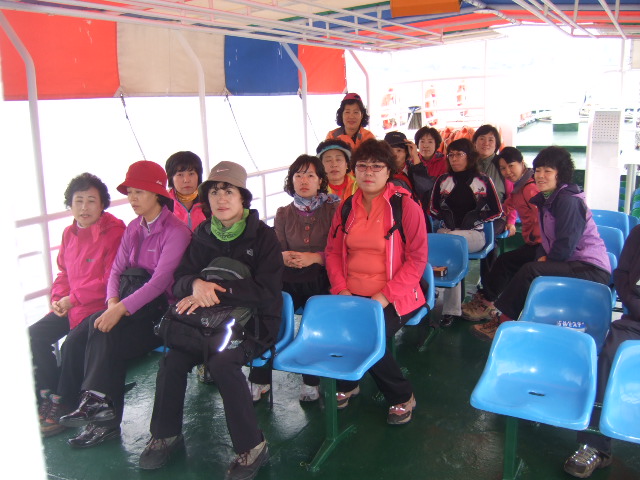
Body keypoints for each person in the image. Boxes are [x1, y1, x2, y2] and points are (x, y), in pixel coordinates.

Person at [139, 161, 283, 480]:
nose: (221, 199)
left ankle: (253, 445)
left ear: (243, 197)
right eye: (214, 192)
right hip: (204, 324)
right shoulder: (203, 234)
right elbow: (180, 278)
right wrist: (194, 284)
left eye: (228, 191)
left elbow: (268, 291)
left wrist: (217, 290)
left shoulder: (263, 237)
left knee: (222, 363)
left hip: (253, 324)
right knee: (172, 361)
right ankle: (165, 434)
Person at [58, 160, 192, 448]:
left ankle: (99, 415)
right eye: (130, 192)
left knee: (106, 336)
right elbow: (116, 271)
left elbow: (159, 283)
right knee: (84, 335)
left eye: (139, 192)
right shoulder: (133, 228)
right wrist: (112, 304)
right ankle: (91, 404)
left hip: (161, 313)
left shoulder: (176, 231)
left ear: (157, 193)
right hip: (130, 308)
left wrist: (118, 310)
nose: (132, 199)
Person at [325, 138, 428, 425]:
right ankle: (349, 382)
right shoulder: (346, 208)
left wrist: (383, 296)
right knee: (336, 331)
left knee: (367, 335)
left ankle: (401, 395)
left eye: (376, 167)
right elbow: (332, 252)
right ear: (354, 170)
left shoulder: (406, 207)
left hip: (396, 295)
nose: (368, 172)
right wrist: (341, 290)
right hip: (351, 294)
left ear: (389, 171)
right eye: (362, 166)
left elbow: (417, 259)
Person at [472, 146, 611, 340]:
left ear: (560, 174)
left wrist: (546, 261)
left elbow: (566, 244)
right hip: (572, 263)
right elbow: (546, 241)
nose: (540, 176)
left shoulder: (568, 201)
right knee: (518, 263)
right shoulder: (548, 200)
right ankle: (495, 308)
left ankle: (503, 322)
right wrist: (542, 257)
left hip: (590, 268)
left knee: (531, 270)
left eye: (548, 171)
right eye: (538, 170)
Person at [30, 173, 125, 438]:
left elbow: (110, 279)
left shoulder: (114, 232)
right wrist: (58, 298)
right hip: (71, 305)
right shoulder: (69, 233)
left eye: (91, 201)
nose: (84, 207)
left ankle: (64, 402)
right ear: (70, 205)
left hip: (99, 307)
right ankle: (49, 393)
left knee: (71, 344)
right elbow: (63, 272)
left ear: (102, 204)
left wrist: (72, 299)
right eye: (78, 201)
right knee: (34, 335)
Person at [248, 154, 340, 403]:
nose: (304, 180)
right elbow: (275, 248)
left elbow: (340, 249)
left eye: (310, 175)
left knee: (314, 319)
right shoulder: (283, 213)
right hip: (289, 276)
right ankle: (259, 376)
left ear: (320, 180)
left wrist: (315, 258)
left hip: (322, 276)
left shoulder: (334, 210)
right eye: (298, 175)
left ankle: (311, 380)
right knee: (267, 311)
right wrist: (283, 256)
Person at [563, 224, 640, 478]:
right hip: (636, 322)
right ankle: (595, 445)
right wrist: (635, 303)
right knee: (609, 356)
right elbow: (623, 274)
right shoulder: (638, 233)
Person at [429, 138, 503, 328]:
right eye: (451, 155)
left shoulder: (483, 180)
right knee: (437, 244)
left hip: (474, 235)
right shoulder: (443, 181)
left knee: (452, 244)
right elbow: (433, 209)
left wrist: (478, 218)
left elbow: (497, 211)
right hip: (448, 232)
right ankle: (429, 301)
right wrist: (445, 221)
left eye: (459, 154)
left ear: (469, 156)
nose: (454, 159)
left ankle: (449, 309)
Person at [462, 147, 541, 321]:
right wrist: (480, 218)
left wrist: (536, 237)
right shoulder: (519, 188)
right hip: (534, 242)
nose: (507, 172)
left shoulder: (530, 188)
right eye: (503, 168)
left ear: (522, 163)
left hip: (542, 244)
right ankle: (487, 298)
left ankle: (487, 302)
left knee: (506, 263)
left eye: (511, 166)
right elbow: (505, 208)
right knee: (504, 262)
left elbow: (542, 216)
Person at [384, 130, 436, 213]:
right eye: (390, 151)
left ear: (406, 153)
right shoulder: (379, 172)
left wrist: (415, 155)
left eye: (399, 150)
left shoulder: (412, 169)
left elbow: (425, 187)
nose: (395, 155)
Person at [165, 150, 206, 230]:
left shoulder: (209, 202)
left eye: (191, 174)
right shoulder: (162, 204)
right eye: (180, 175)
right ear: (171, 178)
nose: (186, 180)